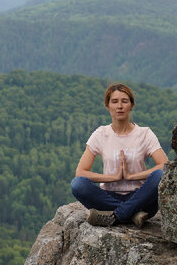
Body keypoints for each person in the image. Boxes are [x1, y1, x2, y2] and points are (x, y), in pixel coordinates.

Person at [70, 82, 167, 228]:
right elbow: (81, 172)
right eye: (114, 102)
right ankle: (131, 214)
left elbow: (165, 165)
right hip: (108, 196)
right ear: (108, 107)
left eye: (124, 101)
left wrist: (131, 176)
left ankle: (116, 216)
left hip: (141, 197)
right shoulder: (101, 134)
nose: (120, 106)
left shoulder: (145, 134)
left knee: (159, 175)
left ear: (131, 105)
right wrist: (113, 178)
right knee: (78, 185)